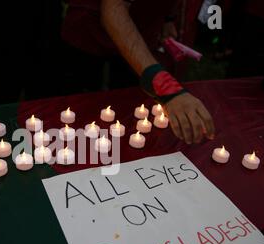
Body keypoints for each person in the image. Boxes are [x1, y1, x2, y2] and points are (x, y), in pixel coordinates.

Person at [63, 0, 215, 144]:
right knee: (79, 108)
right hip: (91, 29)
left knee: (128, 107)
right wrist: (166, 87)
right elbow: (113, 9)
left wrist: (167, 18)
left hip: (141, 28)